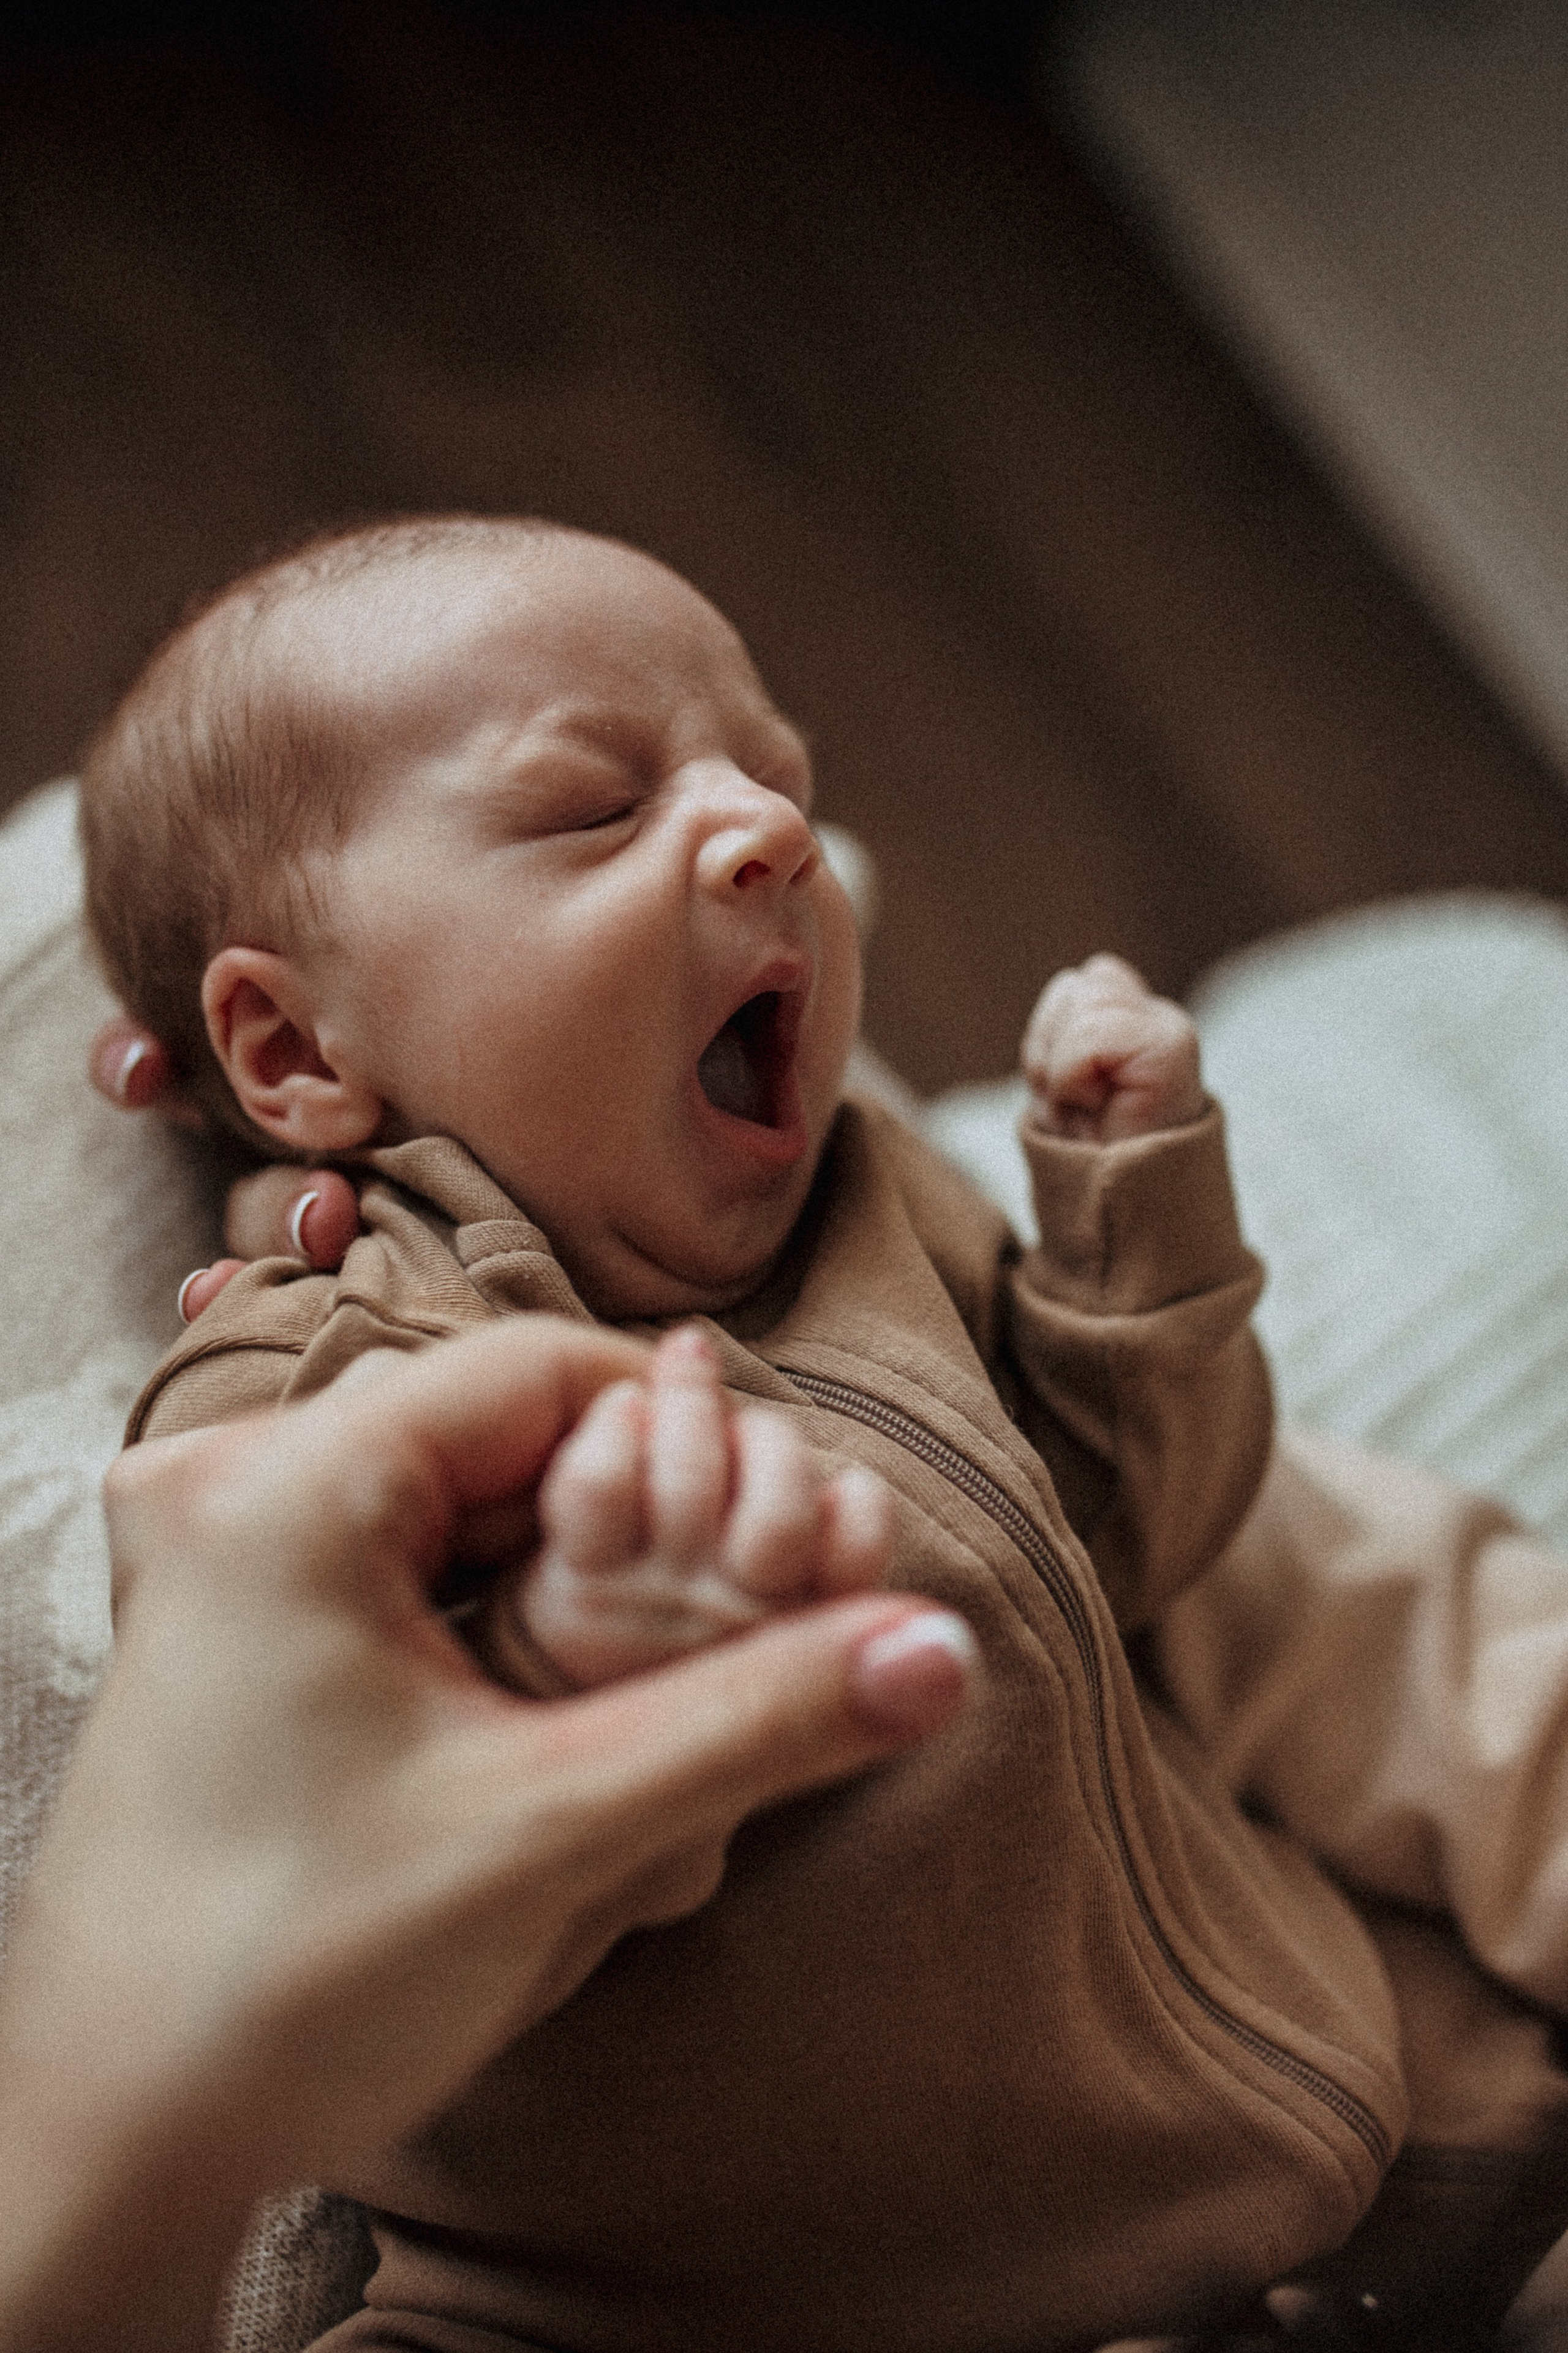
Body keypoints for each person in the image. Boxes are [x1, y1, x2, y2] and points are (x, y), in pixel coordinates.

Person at [72, 513, 1444, 2347]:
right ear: (297, 1054)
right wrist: (565, 1650)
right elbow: (299, 1777)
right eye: (587, 808)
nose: (777, 831)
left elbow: (1128, 1532)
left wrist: (1133, 1229)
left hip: (1301, 2097)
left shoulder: (872, 1202)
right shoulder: (325, 1388)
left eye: (775, 775)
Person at [0, 1315, 976, 2353]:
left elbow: (1116, 1481)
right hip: (577, 2304)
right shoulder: (317, 1350)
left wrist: (1121, 1173)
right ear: (314, 1137)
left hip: (1124, 2200)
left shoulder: (887, 1225)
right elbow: (342, 1717)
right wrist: (544, 1663)